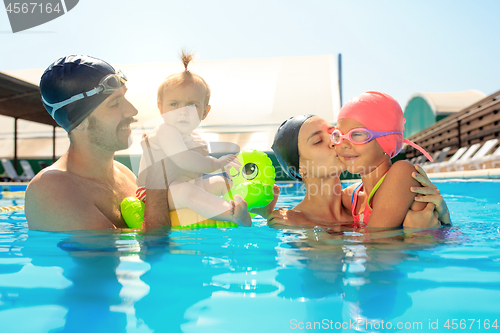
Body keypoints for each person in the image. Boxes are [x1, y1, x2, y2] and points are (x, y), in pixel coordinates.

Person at [25, 55, 168, 231]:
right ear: (80, 121)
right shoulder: (50, 188)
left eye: (124, 97)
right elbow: (145, 250)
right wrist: (158, 177)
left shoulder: (126, 174)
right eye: (115, 103)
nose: (132, 110)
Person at [268, 114, 451, 228]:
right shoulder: (289, 221)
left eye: (333, 133)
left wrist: (444, 218)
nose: (334, 141)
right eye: (317, 141)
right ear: (301, 168)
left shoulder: (361, 201)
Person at [136, 51, 252, 226]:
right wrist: (218, 163)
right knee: (187, 191)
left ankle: (243, 204)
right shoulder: (165, 131)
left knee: (221, 182)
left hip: (180, 187)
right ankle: (231, 213)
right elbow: (184, 160)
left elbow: (195, 171)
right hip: (152, 195)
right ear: (160, 109)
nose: (182, 111)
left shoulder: (194, 138)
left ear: (204, 112)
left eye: (191, 105)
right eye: (174, 104)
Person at [334, 91, 451, 227]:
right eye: (338, 136)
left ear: (387, 140)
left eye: (357, 134)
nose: (343, 144)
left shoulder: (403, 173)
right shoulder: (351, 197)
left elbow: (377, 243)